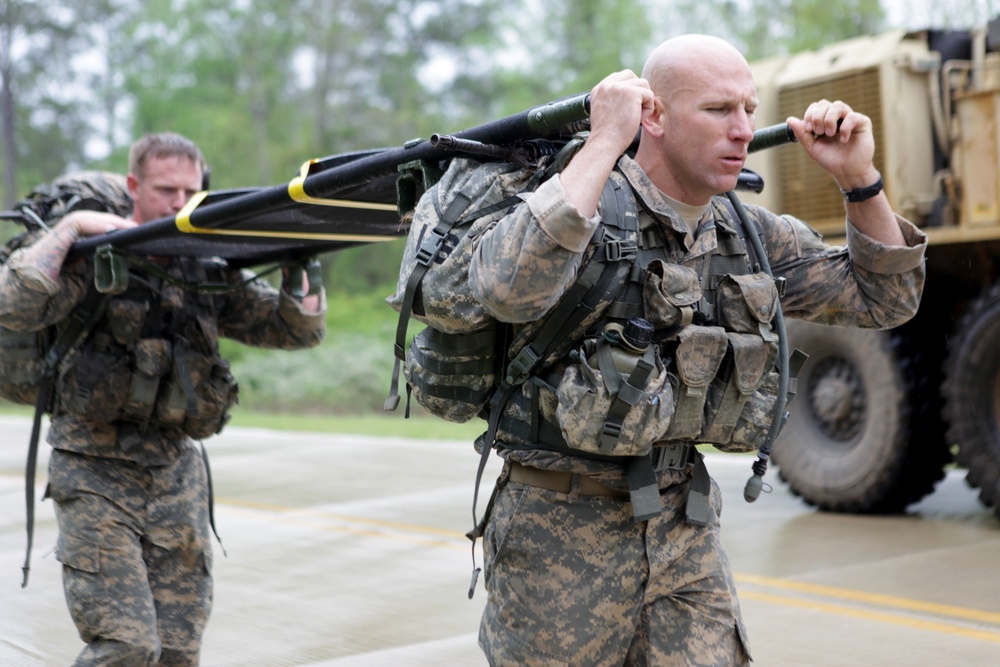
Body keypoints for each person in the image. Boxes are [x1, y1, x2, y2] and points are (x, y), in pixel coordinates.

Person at [465, 35, 927, 665]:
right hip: (556, 534)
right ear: (652, 116)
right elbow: (505, 288)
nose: (742, 130)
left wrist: (858, 179)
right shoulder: (577, 205)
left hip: (684, 529)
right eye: (718, 110)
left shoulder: (746, 232)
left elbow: (884, 298)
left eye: (749, 108)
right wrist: (604, 138)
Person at [0, 132, 326, 665]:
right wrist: (73, 228)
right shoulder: (96, 257)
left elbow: (293, 331)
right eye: (165, 188)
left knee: (177, 651)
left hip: (176, 473)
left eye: (190, 189)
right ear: (134, 186)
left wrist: (298, 263)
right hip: (94, 467)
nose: (179, 202)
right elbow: (12, 305)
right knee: (127, 647)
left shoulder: (201, 262)